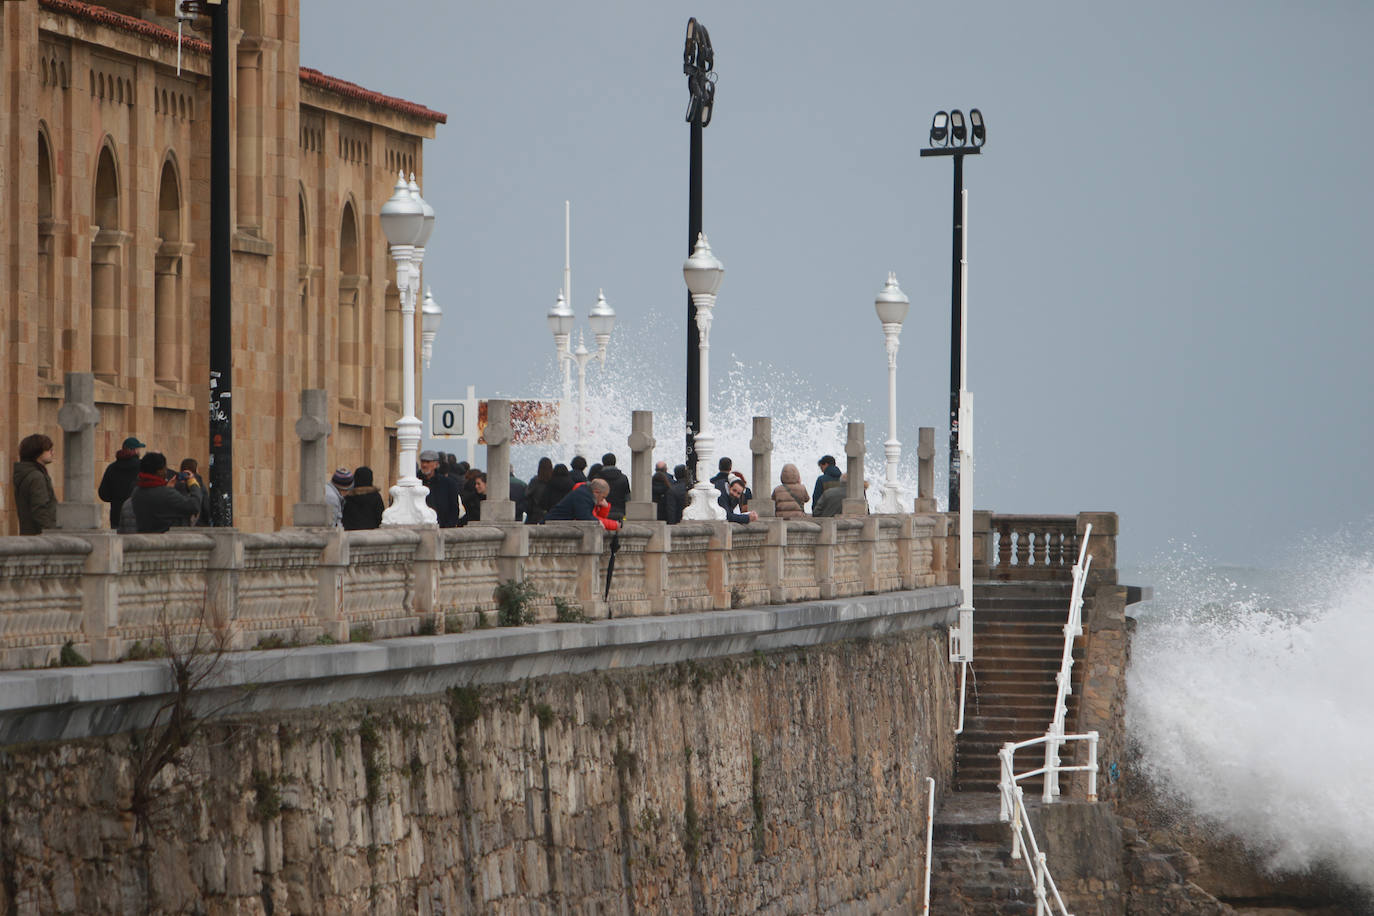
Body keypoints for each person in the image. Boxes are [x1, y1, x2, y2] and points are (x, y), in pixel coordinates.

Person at [129, 452, 202, 533]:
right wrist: (193, 483)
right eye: (165, 469)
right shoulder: (166, 493)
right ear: (159, 471)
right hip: (162, 540)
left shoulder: (137, 491)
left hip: (142, 538)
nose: (166, 472)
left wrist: (166, 488)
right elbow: (194, 506)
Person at [13, 433, 57, 535]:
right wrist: (53, 532)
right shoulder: (36, 476)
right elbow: (40, 509)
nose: (52, 453)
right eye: (49, 450)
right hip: (40, 537)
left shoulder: (29, 473)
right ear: (37, 452)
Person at [98, 435, 145, 528]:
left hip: (117, 515)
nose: (139, 451)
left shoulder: (111, 468)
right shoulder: (142, 466)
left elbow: (103, 494)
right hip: (139, 514)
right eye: (138, 449)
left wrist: (116, 499)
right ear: (134, 450)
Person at [544, 477, 619, 531]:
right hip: (550, 525)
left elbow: (596, 516)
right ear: (596, 492)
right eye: (603, 497)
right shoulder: (584, 496)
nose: (603, 500)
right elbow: (585, 517)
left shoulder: (585, 493)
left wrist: (605, 507)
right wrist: (599, 523)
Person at [418, 450, 461, 527]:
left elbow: (454, 508)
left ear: (436, 464)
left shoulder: (448, 484)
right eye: (422, 462)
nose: (424, 465)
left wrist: (449, 526)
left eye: (428, 462)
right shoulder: (416, 483)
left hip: (442, 527)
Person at [342, 465, 384, 530]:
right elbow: (380, 518)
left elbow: (345, 518)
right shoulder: (376, 497)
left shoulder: (348, 497)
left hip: (351, 534)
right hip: (371, 534)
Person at [594, 452, 630, 522]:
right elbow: (627, 498)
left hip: (601, 513)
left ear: (603, 462)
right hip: (620, 513)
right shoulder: (623, 478)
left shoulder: (597, 478)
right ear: (615, 462)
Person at [176, 458, 211, 526]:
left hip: (178, 525)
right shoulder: (200, 485)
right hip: (197, 525)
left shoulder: (175, 484)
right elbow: (206, 507)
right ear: (196, 469)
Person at [523, 457, 555, 525]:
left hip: (533, 517)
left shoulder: (534, 481)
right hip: (550, 516)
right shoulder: (553, 482)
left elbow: (526, 496)